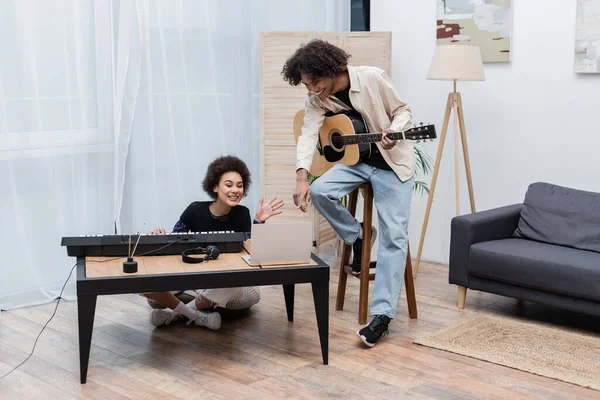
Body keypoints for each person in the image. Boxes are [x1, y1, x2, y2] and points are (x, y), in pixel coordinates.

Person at [281, 39, 415, 347]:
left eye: (315, 81)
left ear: (332, 69)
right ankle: (358, 234)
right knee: (320, 190)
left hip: (392, 164)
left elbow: (402, 110)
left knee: (395, 237)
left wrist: (395, 130)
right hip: (356, 162)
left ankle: (381, 315)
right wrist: (301, 176)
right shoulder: (316, 99)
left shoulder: (371, 77)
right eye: (306, 84)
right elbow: (308, 134)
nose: (312, 89)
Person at [144, 155, 284, 330]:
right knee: (147, 286)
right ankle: (196, 314)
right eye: (229, 185)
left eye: (240, 186)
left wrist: (258, 222)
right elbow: (174, 244)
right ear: (215, 187)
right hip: (190, 275)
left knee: (233, 286)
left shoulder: (242, 214)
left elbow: (251, 251)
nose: (235, 190)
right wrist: (159, 238)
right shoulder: (194, 210)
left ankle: (175, 313)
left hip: (221, 279)